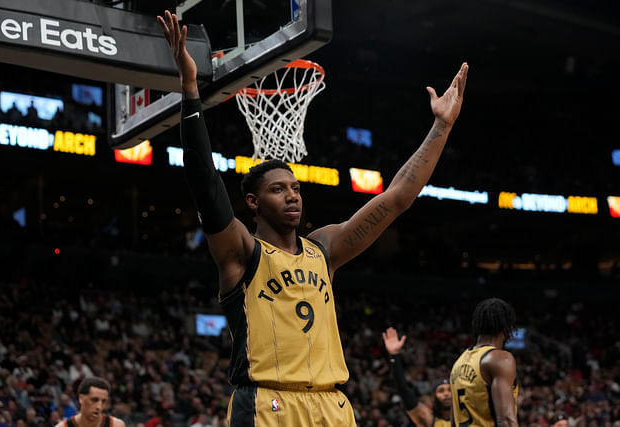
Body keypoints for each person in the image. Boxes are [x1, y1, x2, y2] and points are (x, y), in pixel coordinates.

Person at [157, 10, 468, 426]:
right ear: (252, 202)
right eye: (278, 189)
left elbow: (397, 199)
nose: (292, 196)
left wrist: (440, 128)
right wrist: (190, 88)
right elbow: (203, 180)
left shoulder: (324, 249)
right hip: (268, 403)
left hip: (332, 407)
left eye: (296, 188)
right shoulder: (241, 251)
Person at [449, 298, 518, 427]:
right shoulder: (500, 359)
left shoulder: (458, 362)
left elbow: (454, 421)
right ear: (506, 327)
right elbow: (506, 420)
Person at [382, 327, 451, 427]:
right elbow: (404, 391)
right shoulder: (429, 419)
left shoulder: (466, 419)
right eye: (441, 391)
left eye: (450, 390)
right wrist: (394, 356)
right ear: (433, 397)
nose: (446, 394)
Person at [54, 377, 125, 427]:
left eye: (103, 401)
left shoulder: (116, 425)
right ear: (81, 398)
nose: (99, 407)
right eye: (94, 400)